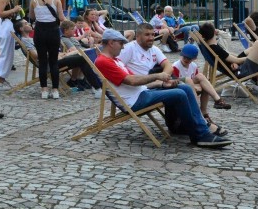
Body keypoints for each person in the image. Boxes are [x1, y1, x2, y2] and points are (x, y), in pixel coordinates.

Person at [94, 29, 232, 148]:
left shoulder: (115, 60)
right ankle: (200, 135)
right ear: (111, 43)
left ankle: (197, 127)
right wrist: (157, 76)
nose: (123, 47)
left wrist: (161, 84)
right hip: (135, 101)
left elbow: (137, 82)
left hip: (142, 93)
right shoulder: (103, 62)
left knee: (185, 88)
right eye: (121, 43)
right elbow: (132, 80)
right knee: (179, 94)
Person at [123, 23, 227, 136]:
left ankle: (200, 121)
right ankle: (199, 125)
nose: (152, 37)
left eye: (153, 34)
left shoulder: (154, 49)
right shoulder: (129, 49)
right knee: (181, 90)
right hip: (141, 91)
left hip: (154, 85)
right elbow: (122, 74)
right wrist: (159, 79)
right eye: (147, 35)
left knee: (185, 87)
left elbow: (168, 66)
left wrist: (163, 77)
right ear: (137, 36)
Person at [198, 23, 258, 102]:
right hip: (241, 71)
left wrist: (250, 56)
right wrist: (253, 57)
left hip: (236, 66)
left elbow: (229, 57)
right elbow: (237, 60)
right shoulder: (216, 48)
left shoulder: (209, 45)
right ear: (214, 32)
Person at [171, 44, 231, 133]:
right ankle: (199, 114)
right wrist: (193, 86)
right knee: (192, 82)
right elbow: (174, 81)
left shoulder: (194, 66)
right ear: (181, 55)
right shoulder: (176, 66)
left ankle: (213, 104)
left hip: (190, 86)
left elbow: (198, 80)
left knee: (201, 77)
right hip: (179, 88)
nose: (186, 59)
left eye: (189, 58)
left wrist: (195, 86)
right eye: (185, 57)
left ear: (194, 59)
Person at [29, 0, 66, 100]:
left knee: (43, 61)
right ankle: (55, 89)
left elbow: (32, 17)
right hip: (53, 30)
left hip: (40, 30)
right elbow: (61, 17)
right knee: (54, 61)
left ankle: (44, 89)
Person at [0, 0, 25, 90]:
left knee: (9, 54)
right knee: (5, 53)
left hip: (8, 25)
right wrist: (14, 10)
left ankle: (2, 79)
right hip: (5, 26)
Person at [57, 21, 100, 91]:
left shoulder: (72, 38)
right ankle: (80, 79)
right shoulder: (65, 39)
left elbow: (80, 46)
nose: (74, 30)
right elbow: (73, 49)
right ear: (66, 31)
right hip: (75, 55)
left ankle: (82, 79)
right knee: (84, 59)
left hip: (79, 53)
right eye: (72, 29)